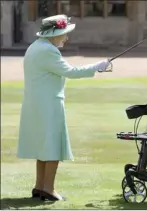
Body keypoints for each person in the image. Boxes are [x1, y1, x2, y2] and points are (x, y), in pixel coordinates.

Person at [17, 14, 112, 201]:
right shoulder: (48, 51)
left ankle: (40, 186)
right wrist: (98, 66)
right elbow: (70, 72)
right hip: (49, 104)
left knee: (44, 147)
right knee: (52, 146)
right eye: (64, 34)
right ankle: (48, 189)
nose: (66, 38)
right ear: (54, 34)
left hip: (37, 104)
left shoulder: (35, 47)